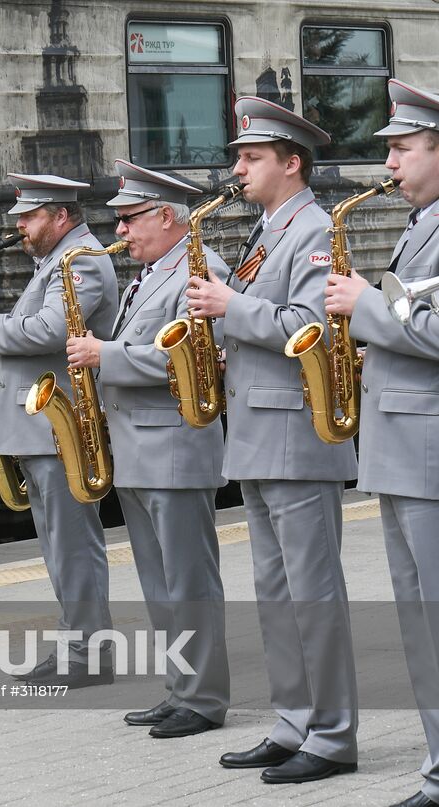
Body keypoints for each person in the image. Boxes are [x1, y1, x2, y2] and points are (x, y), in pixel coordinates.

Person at [186, 97, 359, 784]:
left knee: (313, 594)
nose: (238, 168)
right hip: (260, 432)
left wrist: (233, 308)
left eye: (251, 157)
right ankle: (294, 722)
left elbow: (307, 324)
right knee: (275, 593)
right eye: (239, 156)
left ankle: (335, 732)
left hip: (297, 431)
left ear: (292, 163)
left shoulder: (312, 229)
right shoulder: (267, 231)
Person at [65, 160, 230, 734]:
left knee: (189, 581)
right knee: (160, 584)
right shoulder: (152, 272)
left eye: (130, 219)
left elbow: (191, 361)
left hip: (177, 449)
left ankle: (204, 698)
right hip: (142, 450)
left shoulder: (198, 270)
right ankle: (181, 687)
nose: (121, 233)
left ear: (166, 215)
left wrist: (103, 355)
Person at [324, 79, 439, 807]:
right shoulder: (420, 224)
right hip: (403, 455)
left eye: (400, 148)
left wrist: (363, 304)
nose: (388, 164)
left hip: (428, 458)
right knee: (418, 629)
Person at [0, 174, 118, 688]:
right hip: (43, 429)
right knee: (58, 546)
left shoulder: (83, 261)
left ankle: (90, 652)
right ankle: (76, 642)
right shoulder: (57, 262)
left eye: (28, 218)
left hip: (61, 429)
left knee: (73, 545)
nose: (20, 228)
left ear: (60, 216)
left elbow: (54, 330)